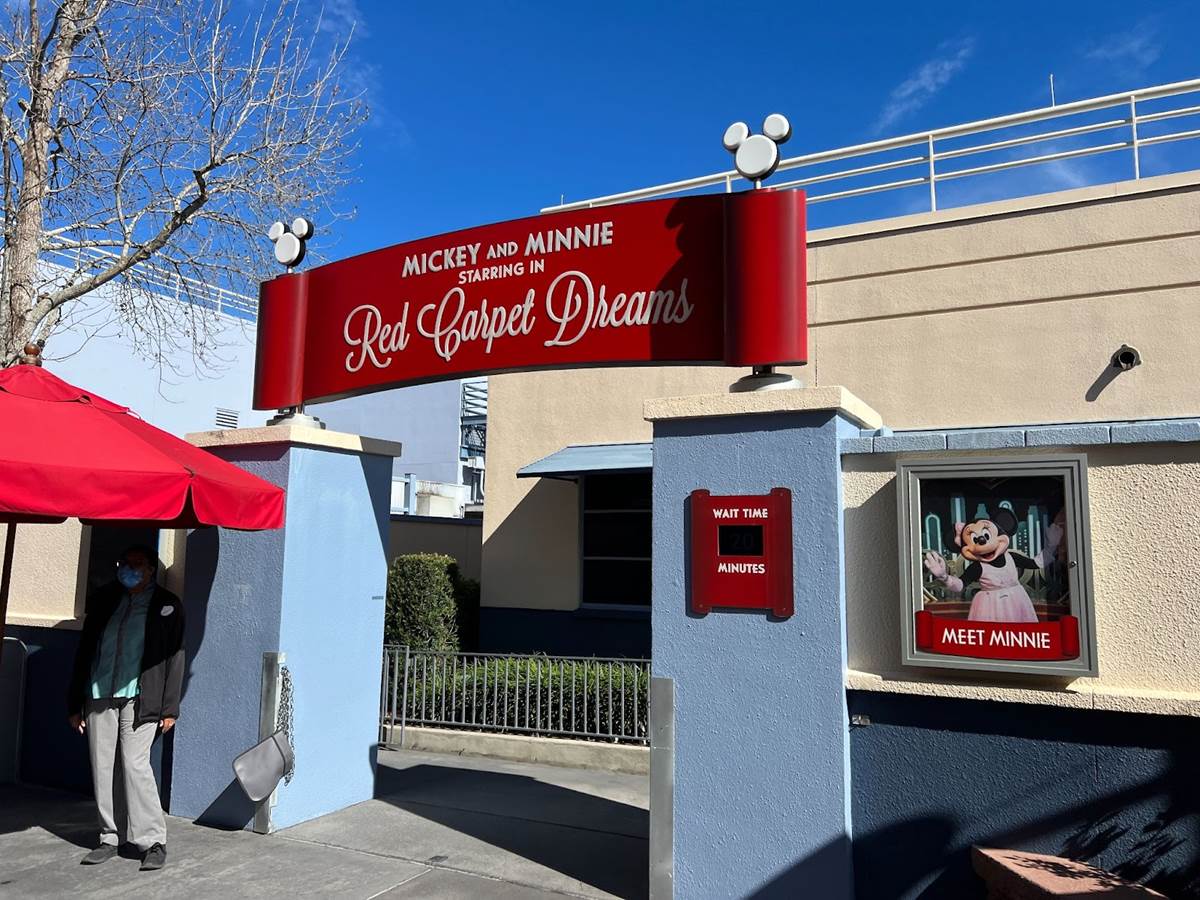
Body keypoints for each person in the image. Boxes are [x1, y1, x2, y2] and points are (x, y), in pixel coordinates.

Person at [66, 543, 185, 871]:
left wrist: (169, 708)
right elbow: (85, 650)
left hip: (141, 697)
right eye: (125, 563)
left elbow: (176, 656)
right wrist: (75, 703)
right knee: (102, 766)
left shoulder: (166, 605)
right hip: (99, 692)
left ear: (150, 570)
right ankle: (109, 836)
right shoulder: (105, 599)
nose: (129, 569)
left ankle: (152, 840)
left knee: (134, 765)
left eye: (137, 564)